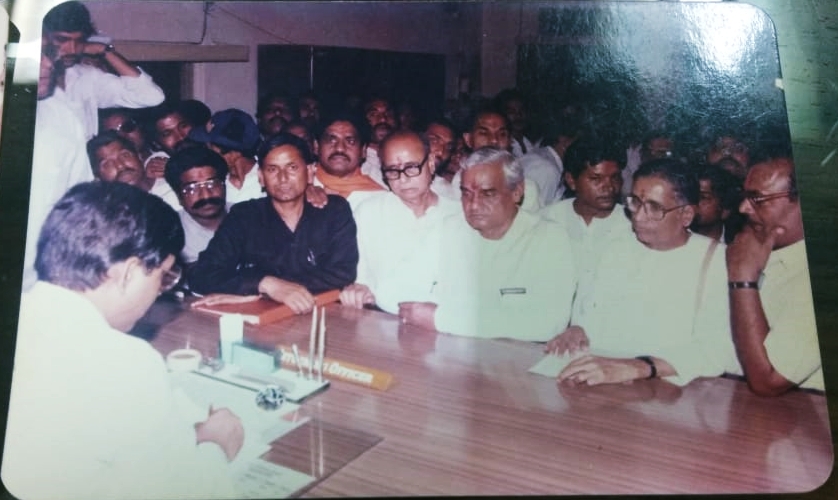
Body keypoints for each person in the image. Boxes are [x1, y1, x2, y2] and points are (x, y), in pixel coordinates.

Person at [3, 182, 241, 499]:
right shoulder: (123, 361)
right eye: (163, 276)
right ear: (130, 272)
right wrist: (215, 444)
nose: (160, 291)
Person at [546, 159, 734, 386]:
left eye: (654, 208)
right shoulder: (615, 247)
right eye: (635, 202)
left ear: (686, 215)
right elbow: (589, 311)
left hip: (671, 393)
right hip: (600, 379)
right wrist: (576, 329)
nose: (638, 217)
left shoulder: (717, 261)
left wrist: (637, 367)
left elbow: (716, 351)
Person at [399, 147, 576, 341]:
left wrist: (443, 318)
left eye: (487, 194)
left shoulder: (550, 238)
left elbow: (548, 324)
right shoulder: (449, 228)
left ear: (517, 192)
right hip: (451, 355)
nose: (473, 205)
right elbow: (400, 286)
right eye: (466, 193)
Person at [188, 133, 358, 313]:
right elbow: (203, 274)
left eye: (292, 167)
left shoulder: (333, 210)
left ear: (309, 172)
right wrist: (266, 283)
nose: (283, 178)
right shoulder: (245, 215)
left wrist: (265, 287)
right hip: (264, 318)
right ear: (261, 176)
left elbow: (342, 274)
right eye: (272, 169)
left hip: (324, 313)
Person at [725, 155, 823, 394]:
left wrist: (742, 279)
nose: (743, 208)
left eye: (758, 199)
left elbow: (767, 380)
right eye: (745, 196)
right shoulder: (760, 249)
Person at [340, 130, 460, 314]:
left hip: (445, 321)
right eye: (393, 171)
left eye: (411, 167)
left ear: (430, 163)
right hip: (383, 321)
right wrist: (359, 289)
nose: (403, 179)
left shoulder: (458, 215)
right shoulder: (369, 212)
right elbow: (359, 277)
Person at [22, 50, 94, 291]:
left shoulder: (62, 116)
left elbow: (80, 204)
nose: (49, 64)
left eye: (48, 53)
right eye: (34, 52)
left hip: (40, 285)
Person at [41, 1, 165, 139]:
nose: (72, 49)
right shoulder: (30, 81)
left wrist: (104, 50)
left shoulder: (88, 77)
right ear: (44, 37)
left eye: (79, 41)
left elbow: (151, 97)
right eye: (62, 39)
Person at [540, 139, 632, 320]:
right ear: (571, 181)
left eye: (614, 178)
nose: (609, 187)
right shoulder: (547, 220)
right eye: (596, 179)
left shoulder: (633, 226)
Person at [164, 146, 231, 265]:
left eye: (212, 184)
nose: (205, 195)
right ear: (179, 196)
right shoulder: (170, 235)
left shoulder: (249, 215)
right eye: (192, 188)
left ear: (224, 186)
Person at [189, 108, 265, 204]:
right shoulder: (215, 183)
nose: (206, 151)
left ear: (233, 154)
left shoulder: (267, 179)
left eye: (209, 146)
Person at [311, 111, 386, 209]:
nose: (340, 148)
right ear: (316, 147)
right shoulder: (300, 186)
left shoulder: (380, 199)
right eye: (331, 140)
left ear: (363, 151)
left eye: (350, 141)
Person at [87, 131, 180, 208]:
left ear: (139, 156)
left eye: (125, 155)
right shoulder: (109, 216)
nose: (120, 166)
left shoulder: (175, 184)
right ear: (97, 177)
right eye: (107, 164)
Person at [691, 163, 743, 243]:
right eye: (690, 195)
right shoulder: (673, 239)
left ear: (725, 209)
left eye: (703, 197)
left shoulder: (738, 244)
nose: (693, 202)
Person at [494, 88, 540, 157]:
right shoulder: (501, 146)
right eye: (511, 112)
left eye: (522, 110)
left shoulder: (532, 143)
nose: (518, 115)